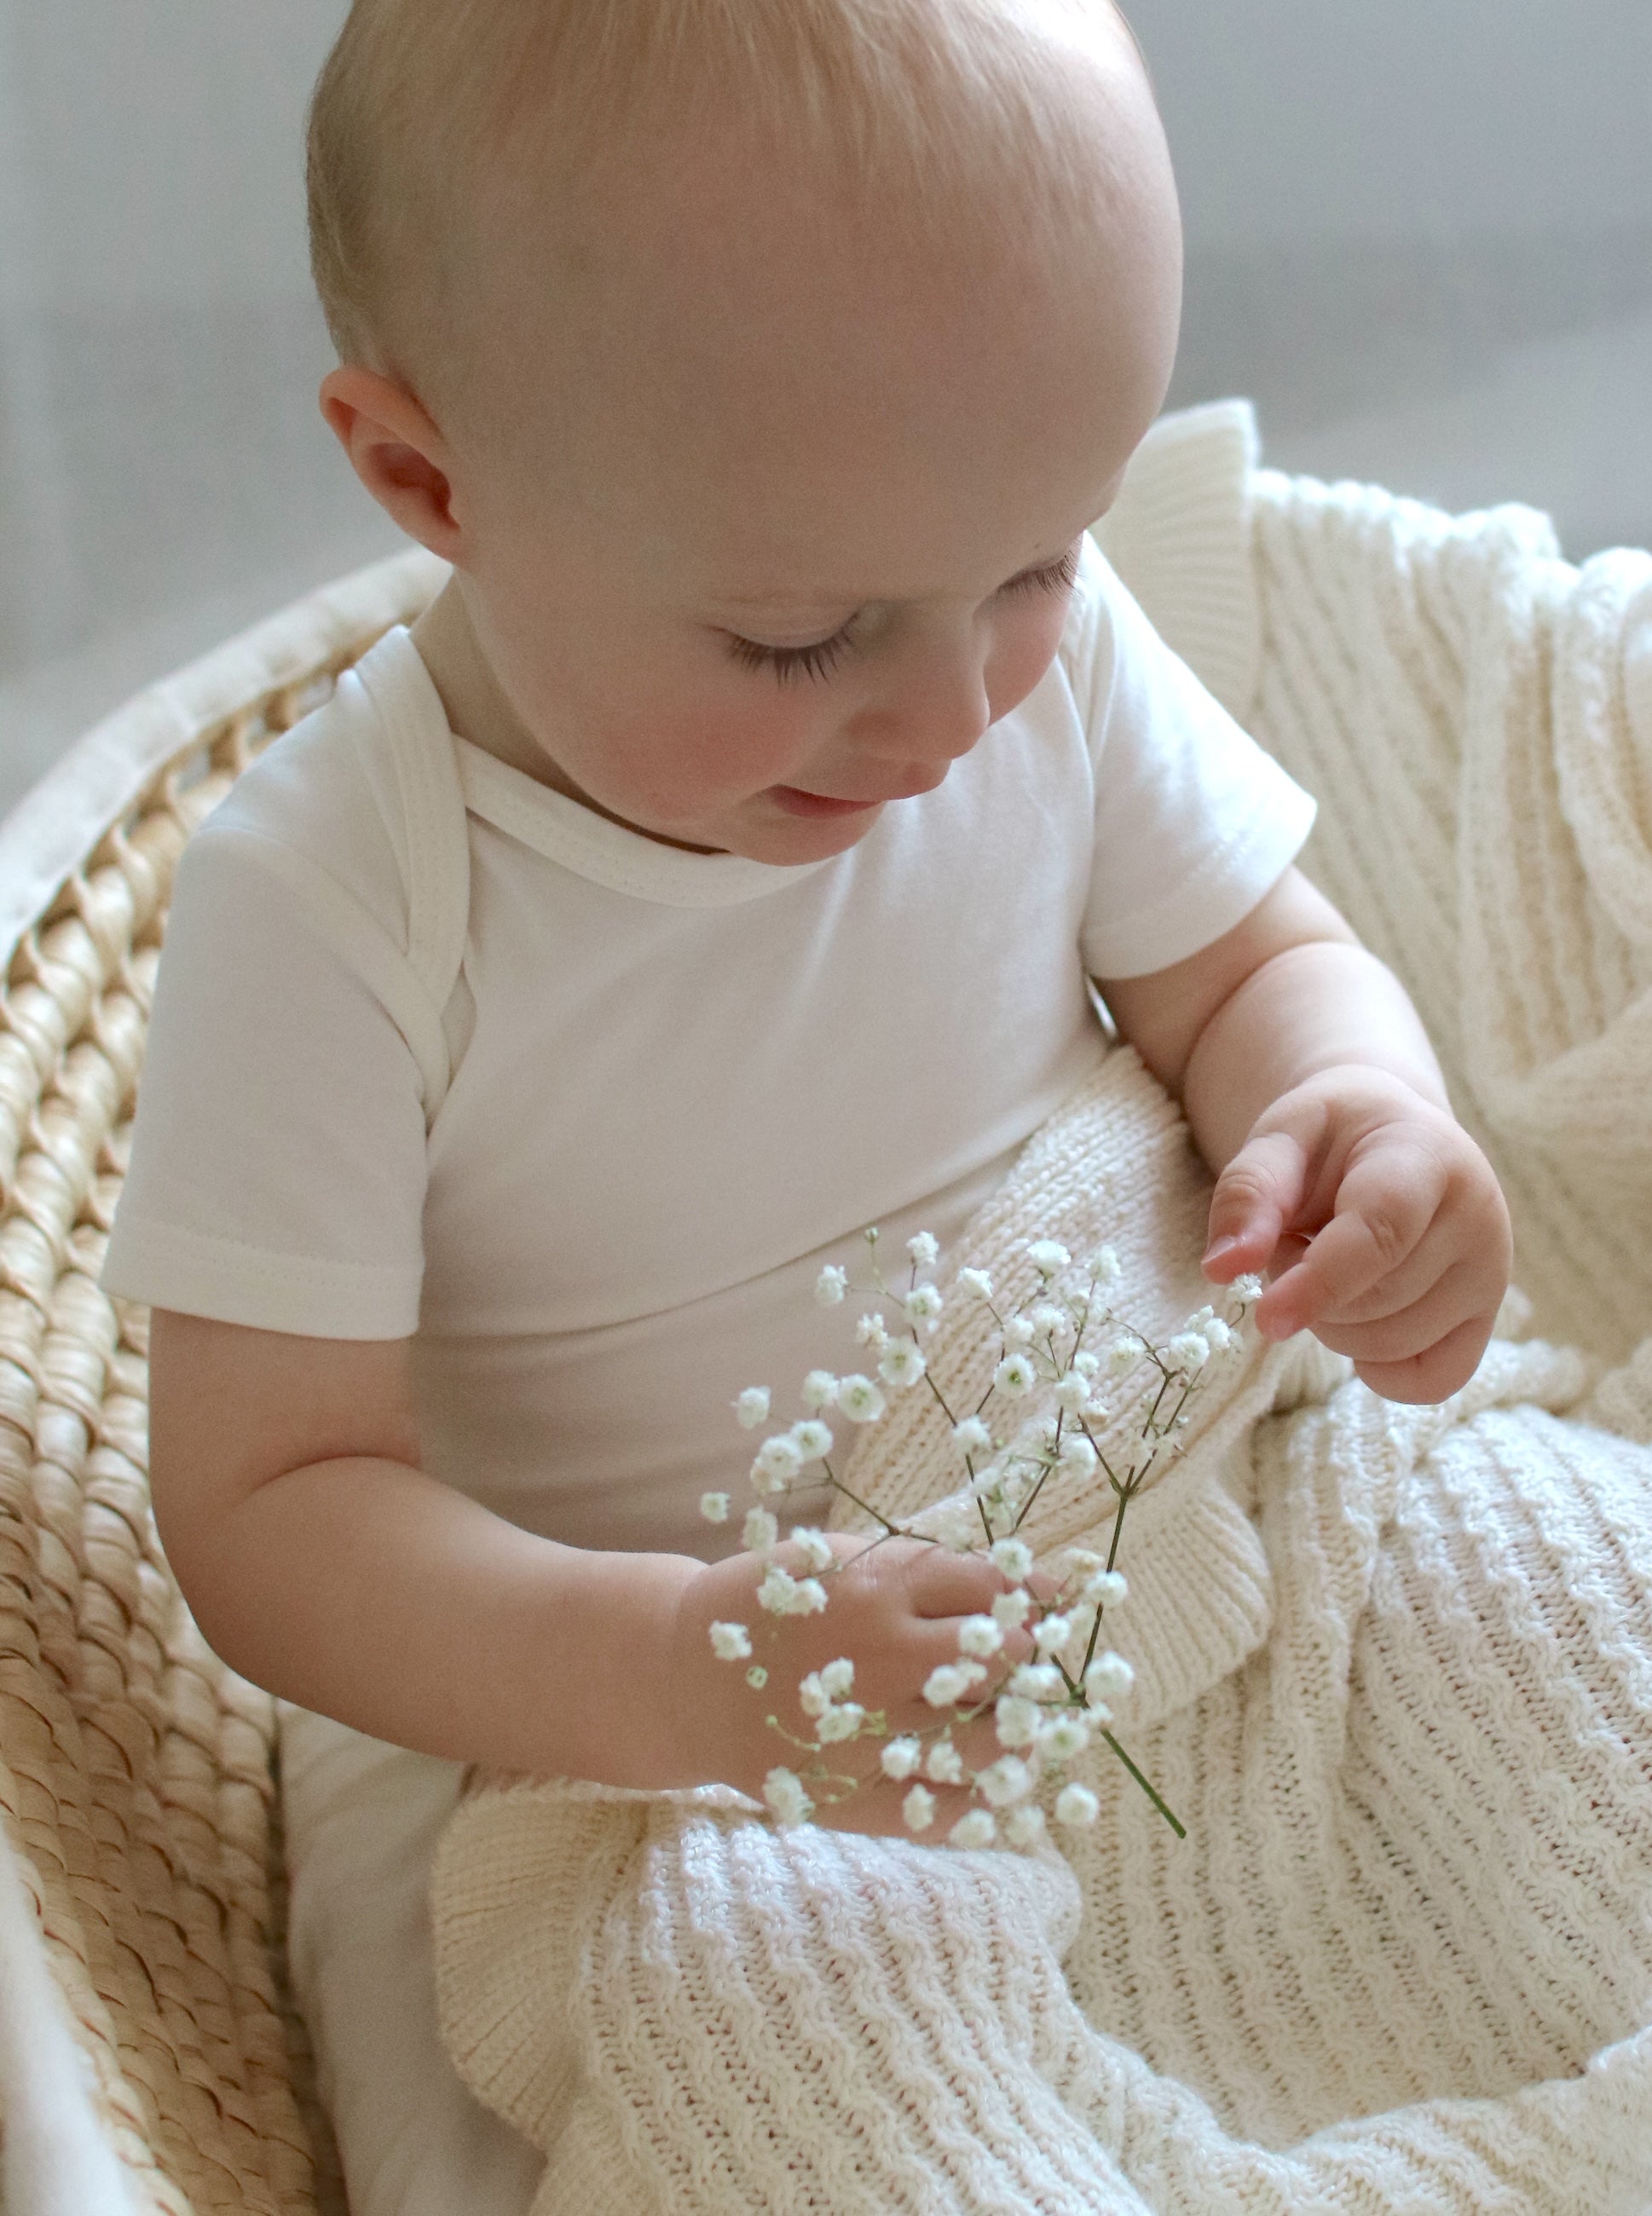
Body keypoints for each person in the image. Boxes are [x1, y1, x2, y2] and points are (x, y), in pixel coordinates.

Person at [102, 0, 1511, 2207]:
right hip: (632, 1710)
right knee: (765, 2089)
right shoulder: (335, 898)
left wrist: (1359, 1116)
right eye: (798, 640)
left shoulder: (991, 631)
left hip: (1161, 1465)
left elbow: (1254, 965)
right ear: (432, 480)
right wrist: (692, 1669)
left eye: (1040, 562)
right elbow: (269, 1507)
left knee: (1548, 1649)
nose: (955, 707)